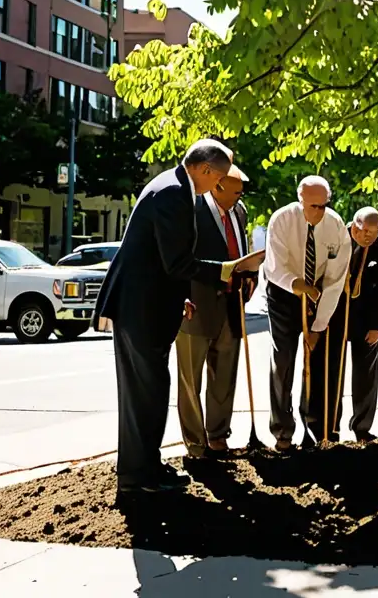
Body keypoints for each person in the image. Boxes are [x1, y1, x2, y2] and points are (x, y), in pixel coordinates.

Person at [93, 139, 264, 494]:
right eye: (219, 178)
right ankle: (137, 479)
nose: (219, 185)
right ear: (205, 170)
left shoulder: (172, 187)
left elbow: (161, 258)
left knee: (151, 392)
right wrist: (230, 269)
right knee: (145, 394)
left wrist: (179, 296)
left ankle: (146, 468)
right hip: (140, 308)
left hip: (147, 303)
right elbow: (178, 263)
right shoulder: (173, 193)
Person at [175, 165, 257, 458]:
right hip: (195, 306)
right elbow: (178, 258)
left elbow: (238, 252)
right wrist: (180, 296)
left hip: (232, 305)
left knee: (224, 375)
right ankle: (196, 446)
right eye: (235, 192)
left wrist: (251, 277)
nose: (240, 197)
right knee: (191, 380)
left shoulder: (240, 211)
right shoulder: (191, 208)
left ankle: (218, 437)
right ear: (217, 186)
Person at [264, 176, 351, 450]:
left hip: (320, 293)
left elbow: (336, 280)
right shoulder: (281, 220)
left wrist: (318, 326)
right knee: (284, 359)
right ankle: (282, 430)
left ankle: (315, 429)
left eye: (324, 205)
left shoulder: (335, 226)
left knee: (316, 363)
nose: (320, 211)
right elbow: (275, 267)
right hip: (284, 291)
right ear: (300, 200)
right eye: (314, 206)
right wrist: (299, 286)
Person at [326, 207, 378, 442]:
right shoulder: (335, 239)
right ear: (353, 225)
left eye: (374, 232)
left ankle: (362, 427)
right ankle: (329, 428)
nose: (367, 236)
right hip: (334, 316)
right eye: (363, 230)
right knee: (331, 372)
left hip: (367, 320)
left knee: (365, 375)